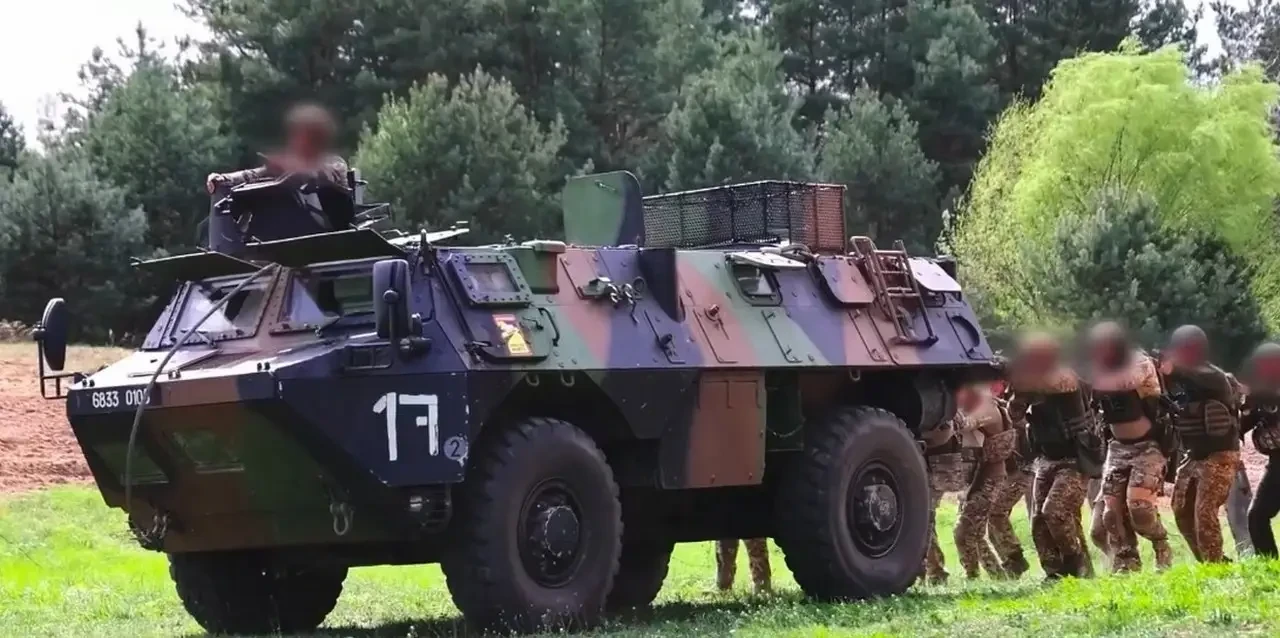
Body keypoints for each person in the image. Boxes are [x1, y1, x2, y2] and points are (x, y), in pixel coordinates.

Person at [1007, 331, 1099, 580]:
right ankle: (1055, 573)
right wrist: (1017, 392)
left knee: (1055, 512)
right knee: (1038, 520)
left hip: (1074, 459)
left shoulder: (1066, 374)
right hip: (1046, 459)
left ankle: (1075, 565)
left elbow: (1056, 383)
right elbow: (1013, 414)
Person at [1086, 321, 1174, 572]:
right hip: (1118, 449)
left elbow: (1124, 382)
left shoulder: (1139, 361)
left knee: (1140, 510)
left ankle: (1161, 544)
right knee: (1111, 514)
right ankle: (1127, 562)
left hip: (1148, 447)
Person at [1163, 325, 1241, 563]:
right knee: (1180, 509)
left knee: (1204, 511)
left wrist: (1172, 369)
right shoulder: (1188, 382)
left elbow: (1193, 375)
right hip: (1195, 455)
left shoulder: (1213, 376)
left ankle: (1214, 565)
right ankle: (1210, 561)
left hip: (1220, 454)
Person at [206, 102, 348, 193]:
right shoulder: (287, 164)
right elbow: (252, 175)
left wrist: (297, 169)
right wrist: (224, 178)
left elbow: (324, 176)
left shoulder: (336, 164)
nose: (299, 141)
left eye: (306, 135)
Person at [954, 383, 1016, 579]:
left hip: (989, 479)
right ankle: (998, 577)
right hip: (976, 478)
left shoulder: (987, 408)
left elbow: (964, 424)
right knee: (975, 534)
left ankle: (973, 577)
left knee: (964, 531)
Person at [920, 403, 978, 584]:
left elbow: (946, 432)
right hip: (932, 466)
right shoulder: (948, 408)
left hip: (938, 468)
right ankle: (931, 570)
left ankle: (934, 572)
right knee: (924, 518)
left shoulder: (948, 410)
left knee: (924, 518)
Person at [988, 381, 1034, 578]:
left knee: (996, 513)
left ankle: (1015, 560)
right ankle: (1012, 562)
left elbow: (1015, 420)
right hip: (1011, 471)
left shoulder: (1016, 407)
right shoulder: (1002, 402)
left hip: (1022, 470)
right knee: (993, 517)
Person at [1243, 343, 1280, 558]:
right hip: (1277, 462)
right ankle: (1269, 565)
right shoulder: (1260, 394)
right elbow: (1241, 425)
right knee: (1257, 516)